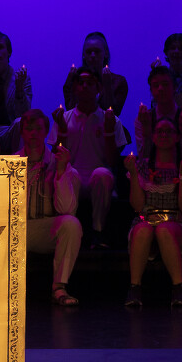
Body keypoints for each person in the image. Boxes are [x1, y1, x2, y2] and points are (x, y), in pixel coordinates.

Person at [123, 114, 182, 307]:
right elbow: (137, 206)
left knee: (164, 229)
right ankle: (134, 288)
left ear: (177, 137)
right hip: (146, 219)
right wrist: (133, 174)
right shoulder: (142, 165)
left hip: (175, 223)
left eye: (168, 131)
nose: (164, 135)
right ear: (153, 136)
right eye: (160, 131)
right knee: (143, 229)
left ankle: (179, 287)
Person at [15, 109, 83, 306]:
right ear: (22, 132)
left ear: (46, 132)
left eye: (38, 128)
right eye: (29, 128)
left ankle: (59, 287)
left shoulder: (58, 162)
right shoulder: (12, 163)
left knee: (71, 224)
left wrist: (60, 173)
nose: (33, 133)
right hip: (16, 228)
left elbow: (67, 210)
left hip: (44, 229)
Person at [54, 66, 127, 242]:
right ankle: (69, 230)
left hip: (98, 179)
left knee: (102, 173)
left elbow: (112, 161)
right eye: (81, 82)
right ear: (74, 88)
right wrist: (62, 130)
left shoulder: (111, 119)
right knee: (70, 174)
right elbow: (56, 157)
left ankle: (98, 232)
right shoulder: (65, 118)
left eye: (90, 83)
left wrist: (108, 131)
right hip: (74, 177)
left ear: (99, 88)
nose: (85, 86)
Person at [133, 63, 182, 164]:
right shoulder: (142, 119)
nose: (160, 89)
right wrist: (146, 130)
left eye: (165, 84)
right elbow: (143, 159)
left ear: (175, 87)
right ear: (151, 90)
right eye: (156, 85)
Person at [62, 31, 128, 115]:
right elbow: (71, 113)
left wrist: (107, 86)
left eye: (97, 51)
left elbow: (113, 114)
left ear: (105, 53)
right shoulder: (73, 81)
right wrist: (73, 83)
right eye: (89, 52)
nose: (93, 55)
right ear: (84, 55)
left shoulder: (118, 82)